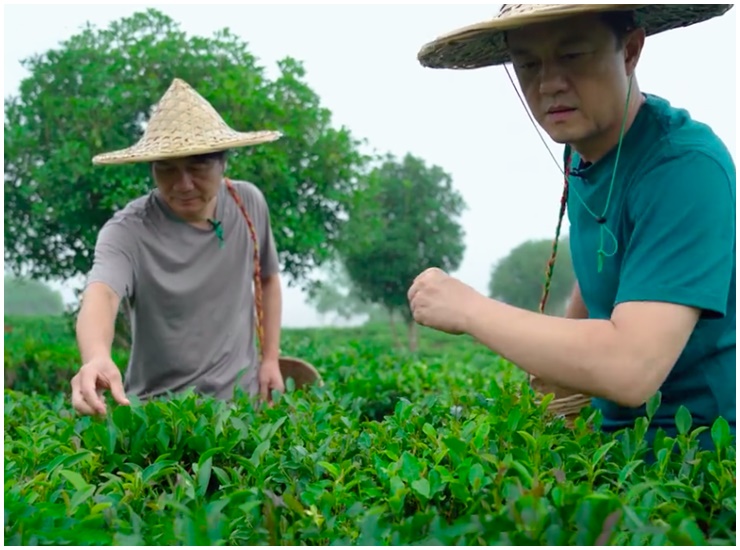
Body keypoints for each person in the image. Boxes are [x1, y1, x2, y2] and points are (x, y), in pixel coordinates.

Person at [408, 5, 735, 447]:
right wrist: (556, 353)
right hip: (608, 438)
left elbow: (631, 368)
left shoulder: (684, 169)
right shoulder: (582, 153)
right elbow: (605, 261)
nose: (548, 84)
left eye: (574, 54)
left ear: (631, 50)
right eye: (527, 64)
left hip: (695, 457)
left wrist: (468, 309)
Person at [71, 78, 288, 416]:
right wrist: (97, 356)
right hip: (160, 415)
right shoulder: (127, 230)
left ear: (223, 163)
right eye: (167, 169)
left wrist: (271, 358)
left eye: (198, 166)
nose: (183, 184)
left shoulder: (248, 203)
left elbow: (268, 279)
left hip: (242, 409)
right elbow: (103, 292)